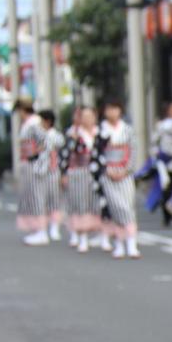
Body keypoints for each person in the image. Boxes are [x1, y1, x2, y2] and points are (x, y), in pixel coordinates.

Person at [60, 105, 104, 253]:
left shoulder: (101, 133)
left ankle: (103, 234)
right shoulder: (74, 135)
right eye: (83, 116)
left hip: (98, 173)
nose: (87, 119)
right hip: (78, 172)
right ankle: (82, 236)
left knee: (99, 203)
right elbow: (65, 155)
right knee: (80, 203)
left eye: (89, 116)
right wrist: (64, 173)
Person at [99, 101, 140, 259]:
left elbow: (133, 150)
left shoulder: (128, 130)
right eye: (109, 108)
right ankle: (119, 242)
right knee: (115, 207)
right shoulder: (101, 131)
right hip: (108, 173)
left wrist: (126, 169)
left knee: (127, 206)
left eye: (115, 108)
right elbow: (97, 153)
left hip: (125, 173)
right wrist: (107, 169)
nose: (112, 112)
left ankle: (131, 242)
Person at [16, 100, 55, 246]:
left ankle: (41, 230)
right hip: (30, 163)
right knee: (32, 196)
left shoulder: (33, 124)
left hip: (35, 164)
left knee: (37, 196)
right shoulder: (31, 124)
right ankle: (38, 229)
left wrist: (35, 154)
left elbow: (46, 141)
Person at [39, 110, 66, 243]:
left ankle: (54, 227)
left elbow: (61, 154)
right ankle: (42, 228)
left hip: (53, 170)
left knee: (54, 199)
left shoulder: (56, 136)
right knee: (41, 200)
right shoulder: (37, 135)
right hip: (39, 171)